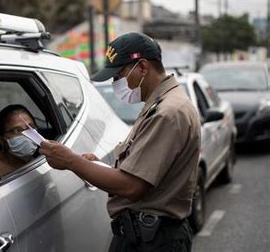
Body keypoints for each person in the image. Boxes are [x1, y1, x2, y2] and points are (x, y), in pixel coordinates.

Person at [39, 32, 201, 251]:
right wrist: (95, 165)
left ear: (143, 67)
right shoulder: (161, 104)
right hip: (146, 236)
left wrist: (70, 161)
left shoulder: (167, 112)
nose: (116, 84)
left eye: (118, 76)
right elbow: (144, 168)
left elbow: (132, 186)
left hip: (153, 241)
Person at [0, 104, 39, 176]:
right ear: (1, 140)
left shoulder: (45, 157)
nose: (26, 135)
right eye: (17, 130)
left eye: (30, 128)